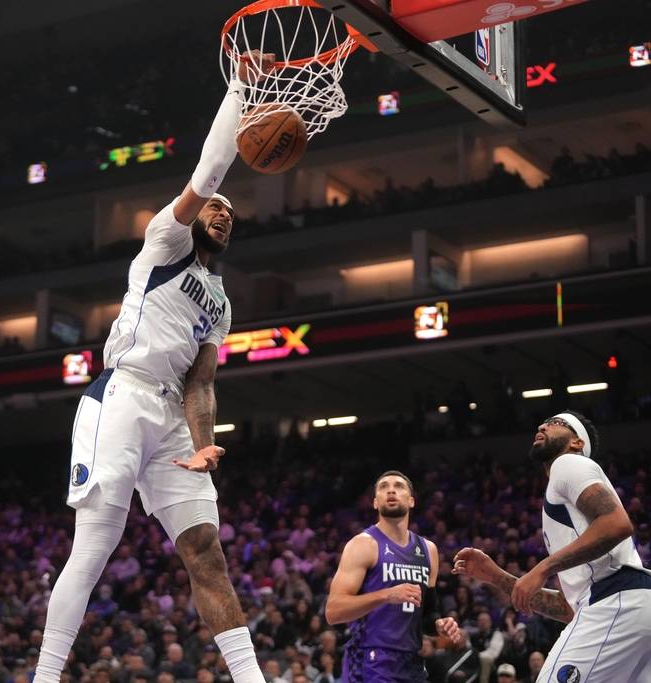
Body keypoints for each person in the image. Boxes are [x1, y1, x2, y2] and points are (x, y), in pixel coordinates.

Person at [34, 51, 275, 683]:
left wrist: (203, 444)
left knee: (206, 552)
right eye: (216, 207)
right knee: (94, 547)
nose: (223, 214)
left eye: (232, 214)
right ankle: (44, 676)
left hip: (172, 417)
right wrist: (240, 90)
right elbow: (209, 170)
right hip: (122, 395)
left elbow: (202, 384)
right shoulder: (165, 243)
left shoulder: (220, 301)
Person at [454, 411, 651, 682]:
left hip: (617, 602)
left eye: (557, 423)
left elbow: (617, 524)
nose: (543, 425)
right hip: (628, 608)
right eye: (545, 422)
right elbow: (570, 608)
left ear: (577, 443)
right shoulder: (568, 510)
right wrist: (497, 577)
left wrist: (542, 568)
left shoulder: (568, 463)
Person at [326, 471, 462, 682]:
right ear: (375, 502)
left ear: (411, 501)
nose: (391, 490)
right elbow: (334, 611)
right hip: (370, 659)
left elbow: (427, 614)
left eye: (399, 486)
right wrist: (386, 595)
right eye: (383, 487)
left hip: (412, 661)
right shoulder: (363, 544)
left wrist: (439, 625)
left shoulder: (429, 550)